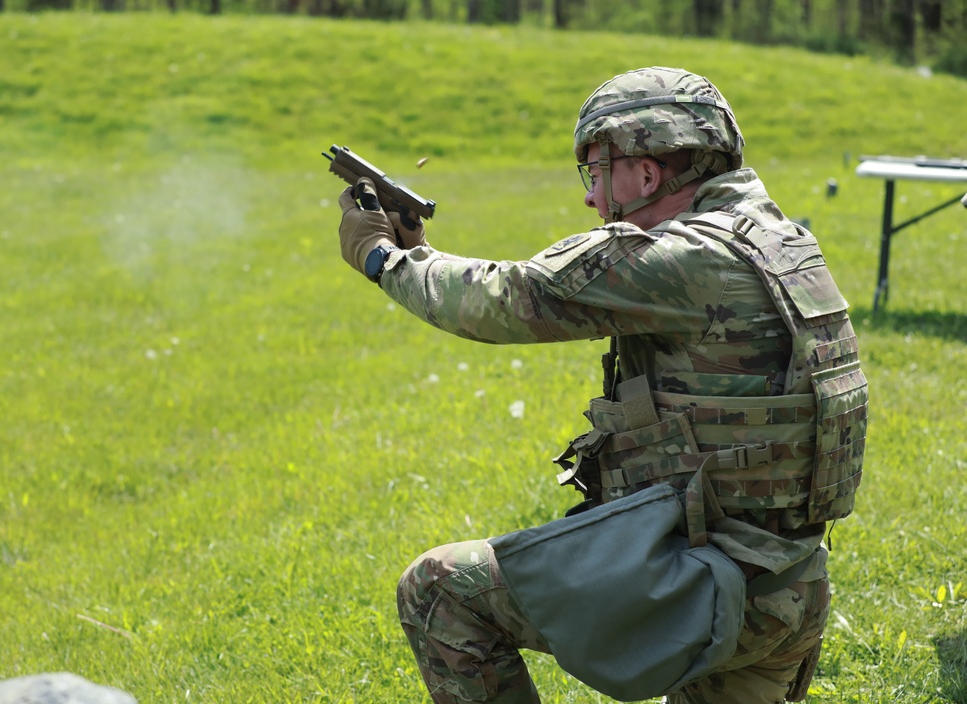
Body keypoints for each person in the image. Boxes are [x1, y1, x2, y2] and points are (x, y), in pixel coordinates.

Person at [335, 66, 868, 704]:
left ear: (645, 173)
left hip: (706, 588)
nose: (592, 198)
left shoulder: (683, 258)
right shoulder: (783, 244)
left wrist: (384, 258)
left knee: (440, 590)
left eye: (596, 171)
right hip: (787, 583)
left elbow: (508, 298)